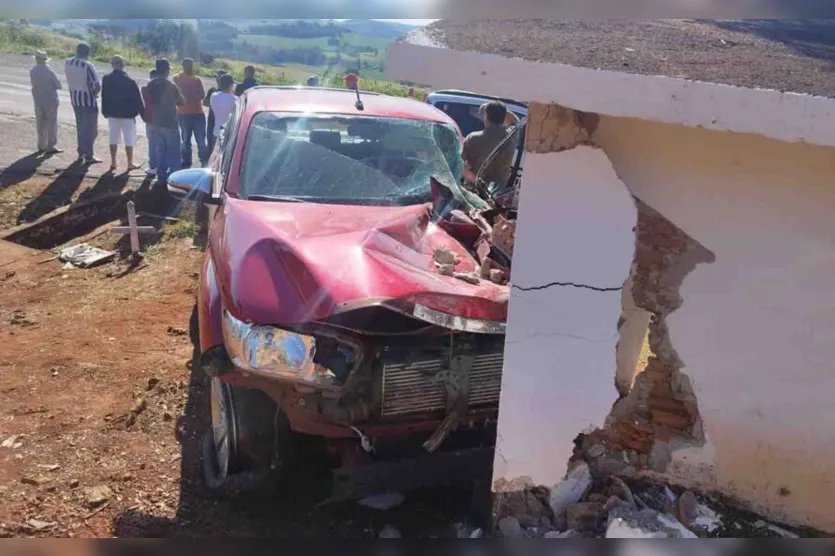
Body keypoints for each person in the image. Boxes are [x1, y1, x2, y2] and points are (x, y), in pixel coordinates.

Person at [461, 100, 520, 189]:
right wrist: (499, 110)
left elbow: (459, 164)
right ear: (503, 117)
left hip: (474, 190)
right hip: (497, 192)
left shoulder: (473, 138)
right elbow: (515, 120)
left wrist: (475, 181)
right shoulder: (511, 136)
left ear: (486, 117)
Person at [101, 55, 144, 172]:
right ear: (123, 65)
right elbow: (137, 100)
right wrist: (137, 113)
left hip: (112, 113)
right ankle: (129, 163)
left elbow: (104, 96)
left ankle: (113, 162)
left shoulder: (106, 79)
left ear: (112, 65)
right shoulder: (130, 81)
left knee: (113, 137)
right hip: (127, 115)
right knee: (129, 138)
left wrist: (105, 111)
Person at [147, 59, 185, 187]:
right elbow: (181, 102)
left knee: (160, 152)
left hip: (154, 123)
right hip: (169, 123)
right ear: (167, 70)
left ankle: (161, 179)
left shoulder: (150, 84)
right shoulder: (171, 86)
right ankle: (176, 180)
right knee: (173, 153)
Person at [64, 43, 102, 164]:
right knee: (90, 130)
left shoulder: (68, 62)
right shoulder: (87, 65)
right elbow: (96, 84)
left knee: (80, 127)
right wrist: (95, 93)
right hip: (88, 101)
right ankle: (89, 155)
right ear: (88, 52)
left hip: (75, 99)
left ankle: (81, 152)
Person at [173, 58, 208, 168]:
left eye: (191, 65)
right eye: (188, 65)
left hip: (197, 113)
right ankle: (187, 160)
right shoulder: (177, 78)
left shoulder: (197, 79)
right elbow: (175, 95)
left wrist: (187, 97)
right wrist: (193, 96)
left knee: (200, 140)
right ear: (183, 66)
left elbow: (202, 95)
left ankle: (203, 161)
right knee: (186, 139)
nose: (190, 67)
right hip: (184, 114)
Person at [29, 50, 63, 155]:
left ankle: (41, 145)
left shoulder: (33, 70)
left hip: (38, 99)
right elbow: (58, 85)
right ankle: (51, 146)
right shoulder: (49, 71)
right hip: (50, 100)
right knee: (52, 124)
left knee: (40, 123)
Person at [204, 70, 226, 155]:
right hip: (211, 121)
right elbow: (204, 102)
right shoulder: (212, 90)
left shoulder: (228, 92)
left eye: (218, 77)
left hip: (223, 123)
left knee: (221, 144)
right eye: (216, 78)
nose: (216, 80)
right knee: (210, 141)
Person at [141, 69, 159, 176]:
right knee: (160, 143)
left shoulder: (145, 89)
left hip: (149, 119)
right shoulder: (162, 89)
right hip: (160, 119)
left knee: (152, 143)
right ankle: (160, 165)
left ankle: (153, 165)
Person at [210, 73, 236, 141]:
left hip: (216, 131)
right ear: (231, 85)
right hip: (228, 133)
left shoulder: (214, 96)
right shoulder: (235, 100)